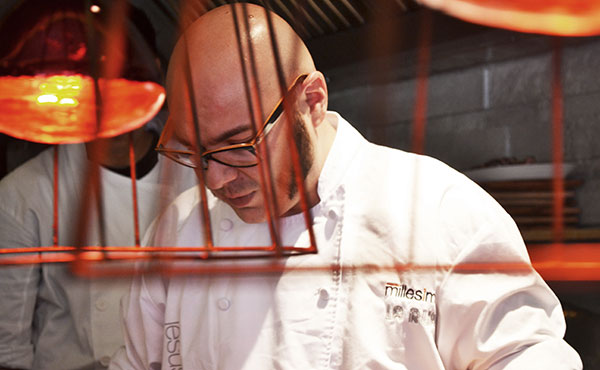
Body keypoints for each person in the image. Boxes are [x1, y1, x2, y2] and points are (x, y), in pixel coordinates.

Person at [110, 3, 582, 370]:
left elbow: (527, 356)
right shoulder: (179, 230)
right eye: (193, 153)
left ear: (311, 101)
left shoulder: (438, 209)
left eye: (239, 145)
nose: (215, 179)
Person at [0, 6, 196, 370]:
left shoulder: (200, 173)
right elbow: (7, 345)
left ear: (151, 71)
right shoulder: (24, 195)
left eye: (122, 73)